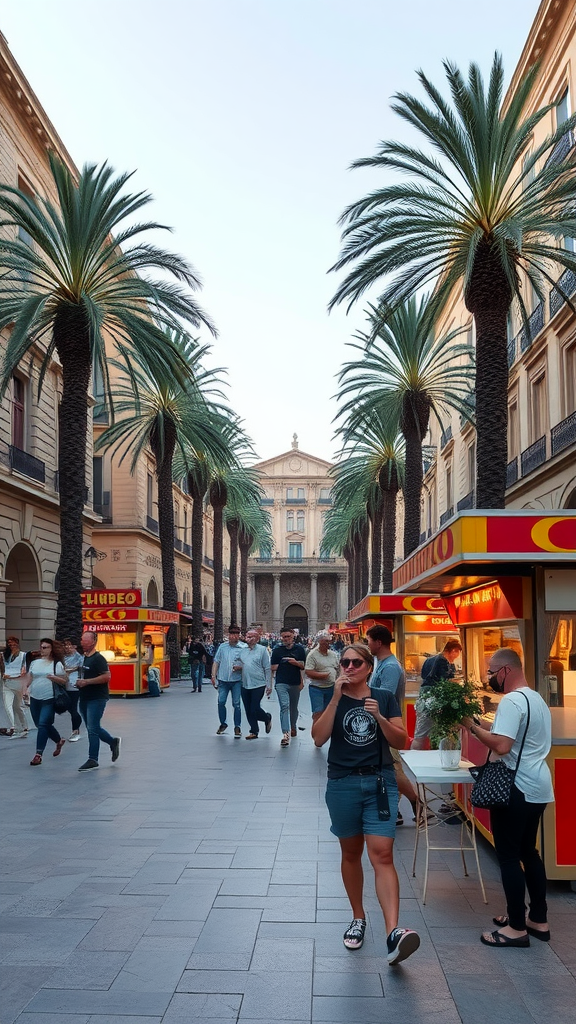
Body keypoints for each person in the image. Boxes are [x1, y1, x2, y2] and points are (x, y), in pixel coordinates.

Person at [312, 643, 420, 966]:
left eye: (355, 662)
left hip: (379, 782)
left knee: (382, 853)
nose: (348, 667)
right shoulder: (336, 697)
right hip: (342, 783)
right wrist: (334, 698)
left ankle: (393, 932)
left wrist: (379, 718)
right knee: (350, 853)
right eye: (344, 662)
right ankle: (358, 917)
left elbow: (402, 740)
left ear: (368, 667)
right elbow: (318, 738)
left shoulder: (384, 698)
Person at [463, 648, 554, 948]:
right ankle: (538, 920)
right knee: (529, 851)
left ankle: (516, 926)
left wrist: (473, 728)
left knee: (508, 856)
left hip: (516, 787)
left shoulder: (512, 701)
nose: (489, 677)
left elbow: (501, 745)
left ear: (505, 671)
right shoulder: (535, 698)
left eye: (491, 671)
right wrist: (478, 722)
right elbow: (509, 733)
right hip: (538, 786)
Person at [366, 625, 421, 826]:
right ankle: (395, 809)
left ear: (378, 642)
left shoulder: (390, 667)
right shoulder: (380, 663)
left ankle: (416, 802)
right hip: (381, 723)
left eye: (369, 640)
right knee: (386, 767)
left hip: (387, 724)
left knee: (393, 768)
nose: (368, 644)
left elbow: (384, 698)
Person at [76, 631, 121, 771]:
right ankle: (112, 741)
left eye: (85, 640)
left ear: (93, 641)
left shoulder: (98, 658)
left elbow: (107, 676)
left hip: (97, 698)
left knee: (92, 728)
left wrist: (87, 682)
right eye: (82, 639)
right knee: (92, 726)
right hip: (84, 696)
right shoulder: (84, 658)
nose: (82, 642)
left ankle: (93, 759)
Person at [22, 638, 67, 765]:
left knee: (42, 724)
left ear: (51, 649)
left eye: (46, 647)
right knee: (41, 725)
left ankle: (38, 754)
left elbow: (64, 681)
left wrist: (54, 678)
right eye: (41, 647)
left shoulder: (56, 664)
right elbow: (30, 677)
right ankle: (58, 740)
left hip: (49, 698)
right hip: (35, 698)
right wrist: (25, 689)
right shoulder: (35, 663)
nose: (42, 650)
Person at [411, 640, 462, 750]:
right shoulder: (443, 661)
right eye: (457, 653)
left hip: (424, 698)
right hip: (434, 701)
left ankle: (412, 759)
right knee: (428, 734)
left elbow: (424, 675)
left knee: (420, 734)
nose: (457, 657)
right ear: (453, 651)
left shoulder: (430, 659)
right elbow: (445, 682)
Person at [270, 627, 306, 747]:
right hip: (281, 682)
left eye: (288, 637)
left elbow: (303, 666)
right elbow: (272, 667)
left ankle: (293, 726)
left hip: (295, 682)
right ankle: (285, 733)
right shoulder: (277, 650)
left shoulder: (300, 649)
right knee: (284, 706)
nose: (286, 639)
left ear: (293, 636)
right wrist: (283, 663)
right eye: (284, 637)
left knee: (293, 707)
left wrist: (295, 663)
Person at [234, 629, 273, 739]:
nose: (248, 638)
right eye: (247, 636)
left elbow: (267, 668)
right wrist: (237, 667)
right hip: (245, 683)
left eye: (251, 636)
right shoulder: (243, 651)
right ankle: (254, 731)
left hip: (258, 683)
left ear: (257, 639)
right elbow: (240, 663)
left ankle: (266, 718)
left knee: (254, 708)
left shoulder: (262, 650)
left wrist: (269, 685)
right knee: (247, 708)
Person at [211, 626, 246, 736]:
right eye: (232, 634)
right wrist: (213, 676)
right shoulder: (222, 647)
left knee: (236, 704)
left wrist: (241, 668)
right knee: (221, 702)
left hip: (237, 680)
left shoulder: (243, 647)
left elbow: (249, 664)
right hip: (223, 680)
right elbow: (216, 661)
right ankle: (223, 723)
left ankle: (237, 726)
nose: (234, 636)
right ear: (228, 635)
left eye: (236, 634)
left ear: (239, 635)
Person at [305, 631, 340, 721]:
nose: (329, 643)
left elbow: (338, 669)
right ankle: (317, 733)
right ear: (320, 641)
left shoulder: (333, 655)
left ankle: (327, 732)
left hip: (331, 687)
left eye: (329, 641)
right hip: (317, 688)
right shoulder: (312, 655)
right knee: (318, 712)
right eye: (326, 641)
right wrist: (322, 675)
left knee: (330, 712)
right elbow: (308, 671)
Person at [1, 635, 28, 739]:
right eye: (9, 643)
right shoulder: (4, 655)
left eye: (13, 642)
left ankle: (23, 726)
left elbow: (25, 668)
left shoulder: (23, 655)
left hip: (17, 681)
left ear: (17, 643)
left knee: (17, 706)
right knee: (8, 705)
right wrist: (3, 675)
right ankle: (15, 727)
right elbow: (2, 667)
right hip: (7, 681)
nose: (11, 644)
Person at [62, 638, 84, 741]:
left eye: (69, 645)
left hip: (74, 685)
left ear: (74, 646)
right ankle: (78, 721)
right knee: (68, 708)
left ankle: (76, 731)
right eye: (65, 645)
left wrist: (69, 670)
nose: (67, 647)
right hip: (63, 684)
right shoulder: (62, 657)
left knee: (73, 707)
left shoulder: (79, 657)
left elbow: (80, 668)